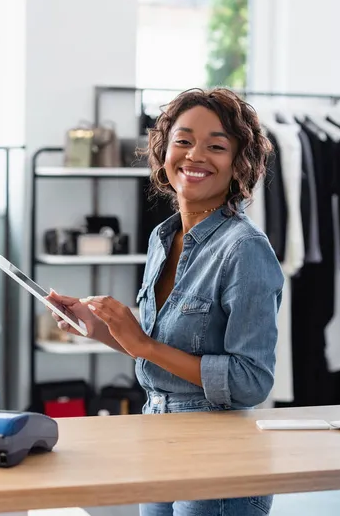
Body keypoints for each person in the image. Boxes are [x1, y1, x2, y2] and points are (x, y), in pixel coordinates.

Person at [47, 88, 284, 516]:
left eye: (216, 146)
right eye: (183, 140)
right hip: (158, 435)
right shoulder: (163, 238)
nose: (195, 156)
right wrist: (99, 328)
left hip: (219, 455)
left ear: (239, 163)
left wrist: (145, 346)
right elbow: (159, 352)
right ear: (163, 150)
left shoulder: (245, 249)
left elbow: (252, 381)